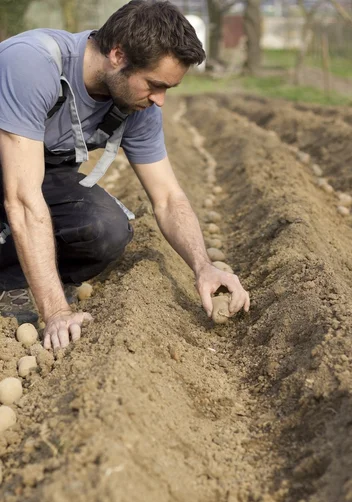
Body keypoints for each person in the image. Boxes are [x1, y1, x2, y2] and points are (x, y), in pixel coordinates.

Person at [0, 0, 250, 351]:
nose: (160, 100)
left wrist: (204, 267)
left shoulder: (136, 105)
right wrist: (56, 312)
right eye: (154, 84)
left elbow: (167, 198)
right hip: (11, 171)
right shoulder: (33, 64)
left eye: (167, 89)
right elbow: (24, 202)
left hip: (33, 171)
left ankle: (10, 283)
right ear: (117, 55)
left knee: (106, 228)